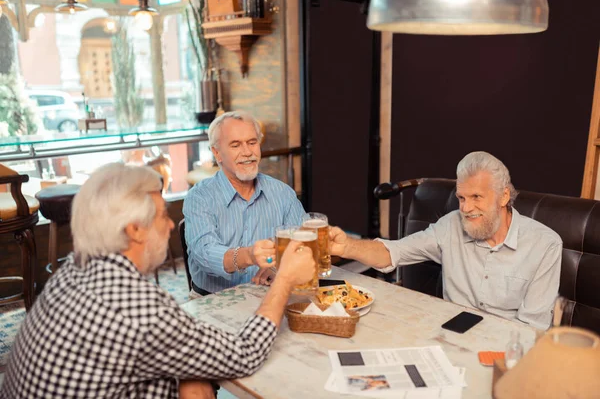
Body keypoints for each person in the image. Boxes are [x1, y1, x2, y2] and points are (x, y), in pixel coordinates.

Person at [1, 163, 316, 399]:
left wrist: (191, 375)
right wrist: (284, 279)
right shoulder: (137, 306)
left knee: (197, 382)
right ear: (135, 229)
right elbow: (244, 354)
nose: (169, 226)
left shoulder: (73, 270)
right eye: (163, 214)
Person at [329, 151, 562, 330]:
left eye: (476, 197)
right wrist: (347, 246)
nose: (466, 208)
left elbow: (532, 330)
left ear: (503, 197)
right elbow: (394, 252)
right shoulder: (450, 225)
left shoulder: (545, 245)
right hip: (450, 339)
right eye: (461, 197)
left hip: (506, 354)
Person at [183, 111, 305, 295]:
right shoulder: (199, 198)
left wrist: (277, 266)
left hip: (269, 294)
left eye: (252, 142)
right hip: (214, 300)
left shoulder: (283, 193)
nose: (247, 152)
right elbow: (205, 254)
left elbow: (301, 243)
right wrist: (248, 255)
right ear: (217, 153)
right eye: (235, 145)